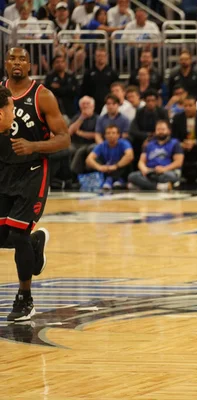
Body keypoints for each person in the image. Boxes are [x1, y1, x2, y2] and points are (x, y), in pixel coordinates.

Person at [1, 47, 71, 321]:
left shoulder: (42, 95)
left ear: (30, 65)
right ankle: (34, 243)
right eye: (12, 58)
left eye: (22, 59)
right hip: (4, 171)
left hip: (33, 172)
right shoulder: (0, 93)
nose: (17, 63)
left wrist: (33, 146)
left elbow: (64, 138)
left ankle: (25, 298)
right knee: (6, 237)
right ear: (6, 64)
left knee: (16, 236)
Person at [127, 120, 184, 191]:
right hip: (150, 171)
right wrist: (144, 170)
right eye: (158, 129)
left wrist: (164, 169)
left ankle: (143, 185)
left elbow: (178, 162)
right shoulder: (149, 144)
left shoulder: (175, 143)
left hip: (166, 171)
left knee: (172, 177)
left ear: (169, 131)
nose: (160, 132)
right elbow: (141, 162)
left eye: (163, 129)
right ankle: (159, 187)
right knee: (132, 176)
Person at [85, 124, 134, 190]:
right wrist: (99, 167)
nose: (111, 135)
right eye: (108, 133)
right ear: (105, 136)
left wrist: (116, 166)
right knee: (94, 161)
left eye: (113, 133)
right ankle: (110, 180)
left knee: (127, 159)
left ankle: (116, 180)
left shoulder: (124, 143)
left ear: (118, 135)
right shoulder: (102, 145)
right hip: (106, 169)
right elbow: (89, 159)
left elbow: (130, 155)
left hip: (119, 169)